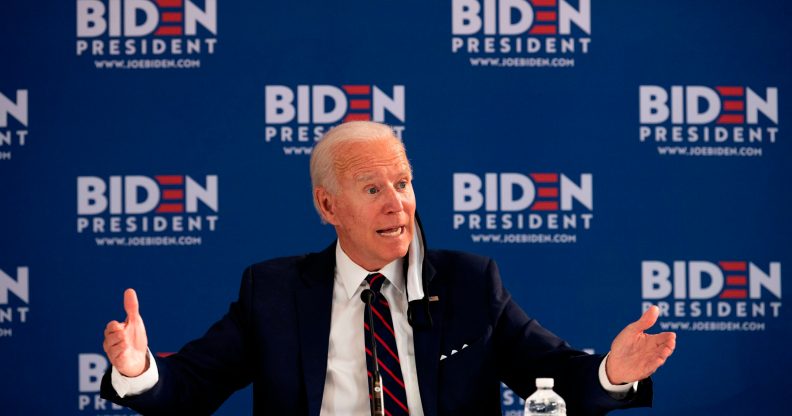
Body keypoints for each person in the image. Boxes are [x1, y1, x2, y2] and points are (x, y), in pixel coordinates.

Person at [101, 121, 676, 415]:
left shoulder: (470, 283)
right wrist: (136, 368)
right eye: (372, 187)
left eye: (402, 182)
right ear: (328, 207)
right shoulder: (273, 292)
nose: (396, 203)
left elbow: (552, 376)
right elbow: (187, 391)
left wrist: (612, 373)